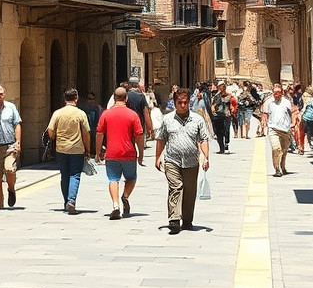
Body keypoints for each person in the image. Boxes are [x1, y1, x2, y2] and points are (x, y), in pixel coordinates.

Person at [154, 88, 211, 234]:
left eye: (185, 102)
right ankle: (174, 219)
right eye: (180, 102)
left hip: (192, 162)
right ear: (175, 102)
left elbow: (204, 139)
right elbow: (161, 139)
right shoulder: (167, 119)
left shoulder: (197, 119)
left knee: (190, 192)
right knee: (176, 186)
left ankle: (187, 219)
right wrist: (157, 157)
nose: (183, 105)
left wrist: (206, 156)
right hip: (172, 160)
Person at [95, 86, 144, 219]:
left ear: (114, 97)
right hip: (129, 153)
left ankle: (115, 205)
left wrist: (97, 152)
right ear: (126, 98)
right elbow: (139, 136)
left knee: (113, 180)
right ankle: (125, 196)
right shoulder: (132, 115)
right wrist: (141, 154)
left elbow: (99, 133)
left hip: (111, 154)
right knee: (131, 178)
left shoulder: (106, 114)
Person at [46, 88, 91, 214]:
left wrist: (54, 137)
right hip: (77, 150)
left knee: (64, 175)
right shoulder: (80, 114)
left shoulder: (57, 113)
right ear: (76, 98)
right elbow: (86, 133)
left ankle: (66, 201)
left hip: (61, 149)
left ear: (64, 98)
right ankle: (71, 200)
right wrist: (88, 149)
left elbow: (50, 130)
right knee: (75, 175)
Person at [262, 83, 299, 176]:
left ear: (282, 93)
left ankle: (282, 166)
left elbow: (294, 111)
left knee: (284, 150)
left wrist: (293, 122)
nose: (276, 94)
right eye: (275, 93)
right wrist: (263, 123)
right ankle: (277, 169)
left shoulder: (287, 102)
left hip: (286, 129)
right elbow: (264, 113)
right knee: (276, 148)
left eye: (278, 92)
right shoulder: (268, 102)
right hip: (273, 129)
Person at [210, 81, 232, 155]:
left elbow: (230, 103)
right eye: (220, 86)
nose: (221, 88)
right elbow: (213, 104)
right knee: (218, 132)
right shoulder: (216, 96)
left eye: (222, 86)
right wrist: (213, 108)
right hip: (218, 115)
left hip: (226, 115)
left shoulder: (229, 95)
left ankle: (226, 143)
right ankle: (221, 148)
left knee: (226, 130)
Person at [301, 87, 313, 154]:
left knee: (306, 131)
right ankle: (309, 145)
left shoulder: (308, 100)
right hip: (311, 117)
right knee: (310, 131)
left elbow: (304, 107)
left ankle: (307, 145)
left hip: (306, 116)